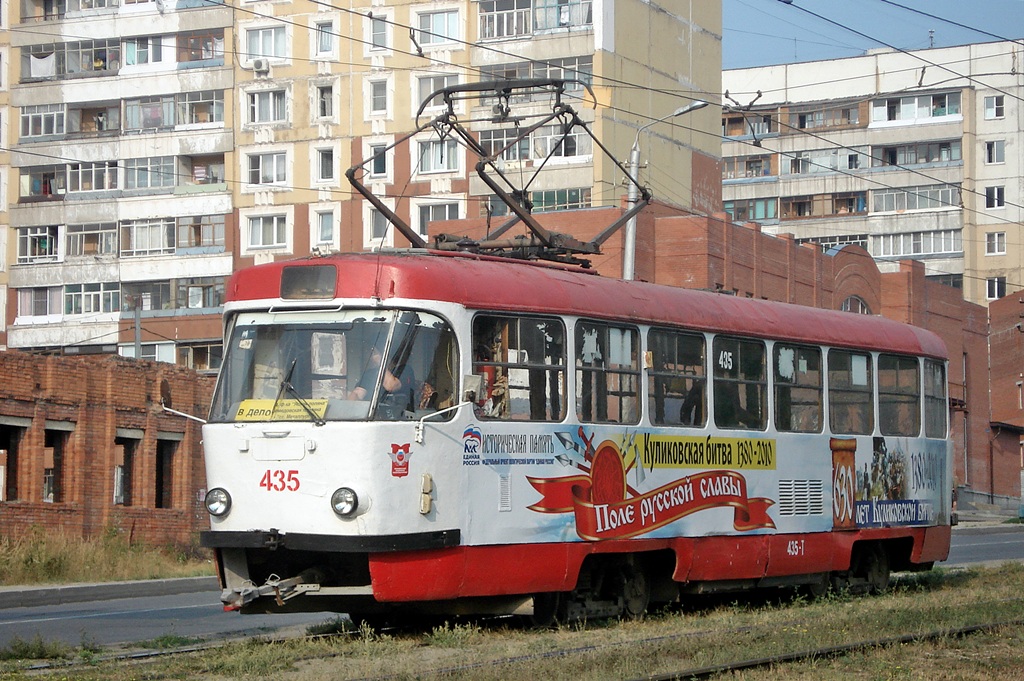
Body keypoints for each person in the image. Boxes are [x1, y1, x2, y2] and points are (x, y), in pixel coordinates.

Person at [348, 345, 415, 405]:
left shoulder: (405, 370)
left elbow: (391, 386)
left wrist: (381, 363)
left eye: (374, 352)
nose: (372, 357)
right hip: (374, 416)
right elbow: (357, 393)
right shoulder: (370, 373)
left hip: (399, 416)